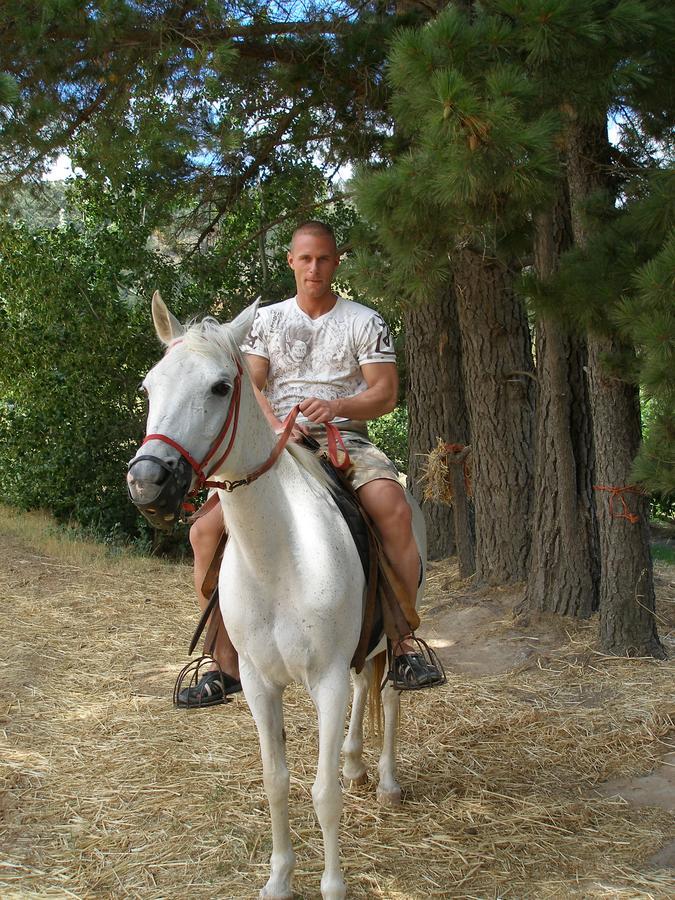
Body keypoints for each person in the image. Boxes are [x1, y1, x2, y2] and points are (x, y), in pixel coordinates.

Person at [177, 221, 443, 707]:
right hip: (274, 445)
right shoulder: (266, 321)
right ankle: (223, 660)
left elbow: (385, 393)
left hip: (343, 440)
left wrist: (337, 406)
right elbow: (250, 384)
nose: (314, 267)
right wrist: (276, 422)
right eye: (305, 258)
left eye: (323, 258)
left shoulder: (364, 320)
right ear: (291, 262)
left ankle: (403, 639)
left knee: (393, 507)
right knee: (203, 532)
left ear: (336, 261)